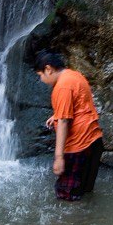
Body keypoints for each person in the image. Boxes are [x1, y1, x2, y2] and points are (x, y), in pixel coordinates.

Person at [36, 51, 104, 201]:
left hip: (78, 147)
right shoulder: (74, 76)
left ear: (48, 69)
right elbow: (80, 103)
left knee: (66, 195)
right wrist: (57, 114)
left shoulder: (62, 86)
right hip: (94, 142)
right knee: (85, 192)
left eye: (40, 75)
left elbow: (64, 121)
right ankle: (84, 222)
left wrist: (59, 157)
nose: (41, 79)